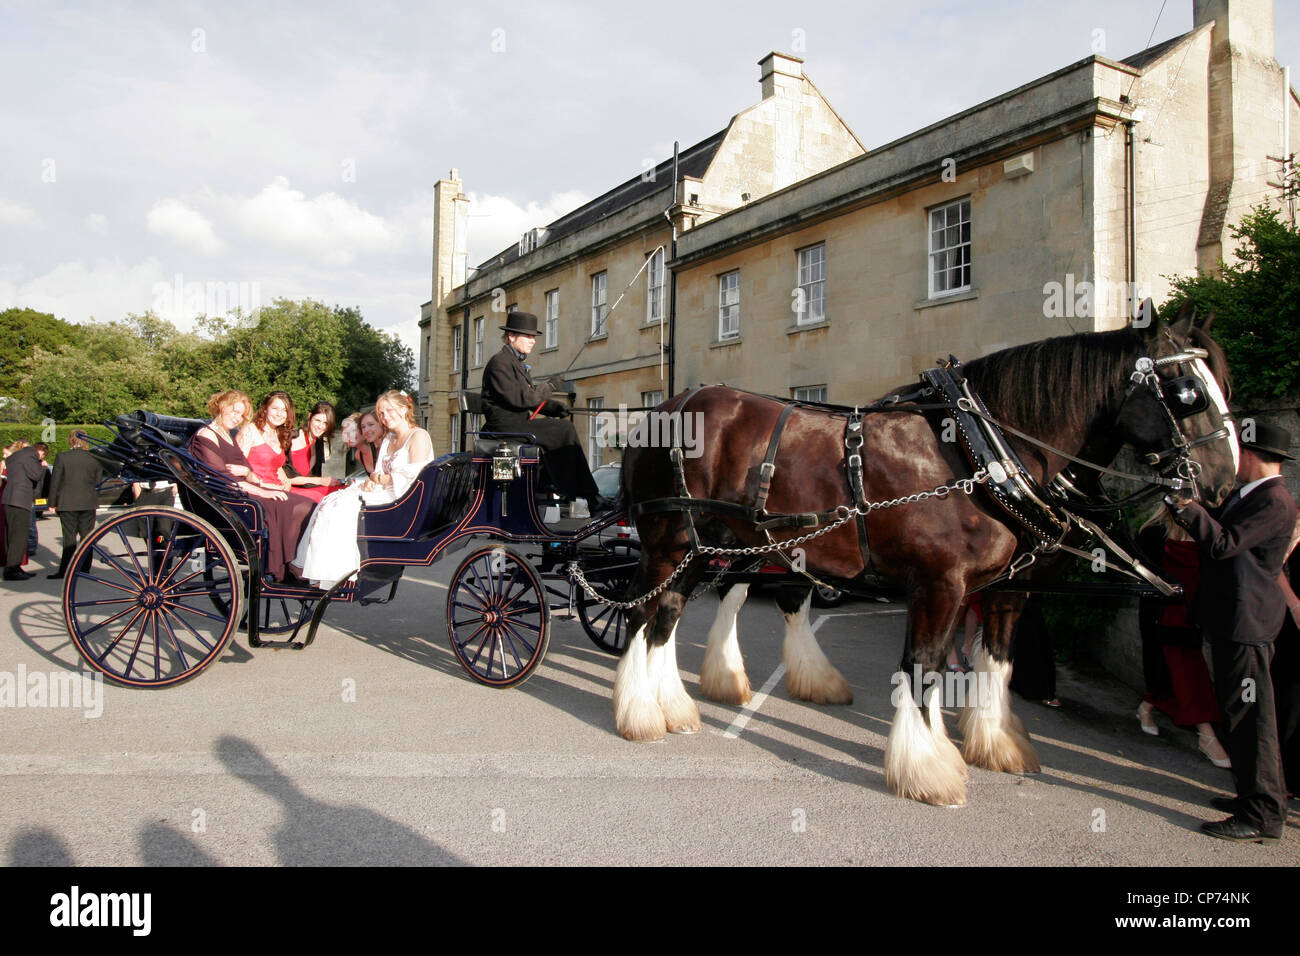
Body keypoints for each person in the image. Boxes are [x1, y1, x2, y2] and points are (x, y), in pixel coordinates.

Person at [1168, 419, 1297, 844]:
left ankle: (1262, 814)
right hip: (1233, 620)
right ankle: (1250, 799)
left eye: (1236, 451)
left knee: (1251, 719)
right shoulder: (1251, 495)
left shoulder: (1275, 501)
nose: (1231, 460)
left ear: (1252, 454)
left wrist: (1188, 509)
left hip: (1248, 625)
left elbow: (1224, 544)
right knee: (1238, 715)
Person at [291, 390, 433, 589]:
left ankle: (335, 572)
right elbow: (378, 473)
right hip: (387, 491)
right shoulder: (389, 439)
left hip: (404, 499)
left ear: (403, 409)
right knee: (331, 501)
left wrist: (384, 478)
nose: (385, 416)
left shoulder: (418, 436)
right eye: (381, 413)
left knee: (342, 505)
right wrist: (374, 480)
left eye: (389, 411)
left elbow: (417, 476)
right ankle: (309, 564)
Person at [481, 310, 608, 509]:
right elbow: (521, 398)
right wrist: (549, 387)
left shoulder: (515, 362)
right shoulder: (500, 363)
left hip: (518, 422)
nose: (532, 341)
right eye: (528, 336)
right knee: (563, 431)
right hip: (504, 426)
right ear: (511, 336)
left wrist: (555, 409)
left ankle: (557, 485)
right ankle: (589, 496)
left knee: (559, 428)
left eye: (534, 337)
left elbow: (528, 399)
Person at [1135, 508, 1230, 767]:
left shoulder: (1208, 531)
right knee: (1189, 672)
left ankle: (1146, 707)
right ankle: (1206, 735)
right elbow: (1142, 574)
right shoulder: (1154, 532)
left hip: (1192, 614)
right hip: (1163, 615)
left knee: (1174, 672)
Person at [190, 390, 315, 582]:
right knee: (296, 506)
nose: (237, 418)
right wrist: (261, 491)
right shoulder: (206, 435)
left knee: (307, 505)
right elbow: (220, 476)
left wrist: (252, 478)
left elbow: (246, 469)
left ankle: (290, 562)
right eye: (233, 411)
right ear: (221, 407)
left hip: (243, 489)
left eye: (241, 414)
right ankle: (281, 565)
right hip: (228, 496)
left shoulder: (226, 434)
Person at [46, 432, 105, 580]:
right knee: (87, 537)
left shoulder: (62, 457)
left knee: (69, 537)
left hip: (67, 502)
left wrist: (52, 502)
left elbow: (55, 482)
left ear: (70, 440)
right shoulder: (94, 458)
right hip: (88, 501)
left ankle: (65, 570)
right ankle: (85, 568)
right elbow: (98, 481)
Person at [2, 441, 46, 580]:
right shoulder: (30, 454)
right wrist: (42, 467)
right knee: (19, 537)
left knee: (11, 535)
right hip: (20, 500)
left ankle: (12, 566)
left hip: (8, 499)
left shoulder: (13, 457)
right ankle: (13, 569)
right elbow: (36, 474)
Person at [287, 402, 341, 503]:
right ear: (309, 417)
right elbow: (286, 479)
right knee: (323, 500)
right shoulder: (292, 439)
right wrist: (320, 480)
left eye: (325, 423)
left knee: (341, 492)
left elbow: (311, 475)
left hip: (307, 487)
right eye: (318, 420)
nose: (320, 426)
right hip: (290, 489)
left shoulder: (318, 442)